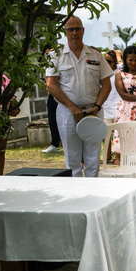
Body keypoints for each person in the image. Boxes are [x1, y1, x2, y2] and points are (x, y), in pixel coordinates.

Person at [45, 17, 112, 177]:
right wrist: (71, 107)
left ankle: (93, 196)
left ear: (83, 30)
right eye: (70, 29)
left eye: (77, 29)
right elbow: (51, 85)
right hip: (68, 113)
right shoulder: (55, 55)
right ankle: (76, 197)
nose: (74, 33)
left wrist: (97, 107)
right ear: (65, 32)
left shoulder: (95, 54)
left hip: (92, 112)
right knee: (73, 160)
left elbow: (107, 84)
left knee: (93, 159)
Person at [112, 45, 136, 155]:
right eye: (130, 60)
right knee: (127, 137)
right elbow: (123, 94)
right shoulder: (120, 74)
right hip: (127, 110)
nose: (133, 62)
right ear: (125, 59)